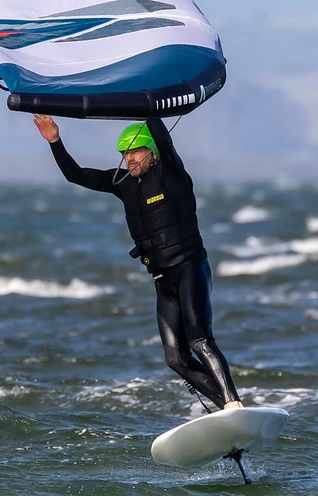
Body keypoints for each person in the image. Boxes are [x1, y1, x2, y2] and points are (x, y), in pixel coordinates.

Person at [32, 114, 243, 411]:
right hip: (162, 279)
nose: (129, 159)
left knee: (200, 341)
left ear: (152, 152)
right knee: (175, 359)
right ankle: (227, 408)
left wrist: (148, 107)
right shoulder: (124, 184)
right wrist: (55, 140)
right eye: (124, 154)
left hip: (190, 268)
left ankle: (233, 401)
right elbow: (75, 174)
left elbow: (165, 140)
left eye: (135, 151)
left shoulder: (172, 174)